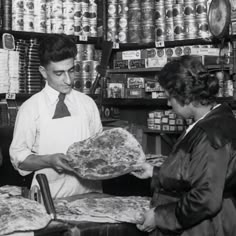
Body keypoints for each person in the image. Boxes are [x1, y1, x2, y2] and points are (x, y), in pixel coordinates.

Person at [132, 55, 236, 236]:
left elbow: (205, 199)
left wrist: (159, 216)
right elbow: (195, 172)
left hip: (206, 228)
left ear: (185, 98)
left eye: (169, 98)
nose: (167, 103)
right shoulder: (212, 120)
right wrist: (154, 173)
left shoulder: (210, 135)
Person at [10, 34, 103, 198]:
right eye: (59, 73)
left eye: (71, 70)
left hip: (90, 195)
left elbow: (99, 149)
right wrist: (49, 160)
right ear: (43, 72)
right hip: (48, 197)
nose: (68, 80)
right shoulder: (30, 108)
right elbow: (19, 158)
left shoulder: (88, 104)